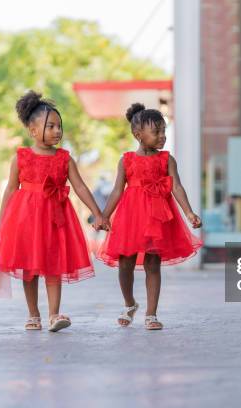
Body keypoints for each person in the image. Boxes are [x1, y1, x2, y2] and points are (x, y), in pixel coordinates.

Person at [0, 90, 109, 332]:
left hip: (56, 219)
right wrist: (2, 221)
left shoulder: (65, 159)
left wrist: (98, 213)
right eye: (51, 126)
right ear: (33, 131)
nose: (57, 131)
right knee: (29, 267)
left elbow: (79, 187)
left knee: (54, 266)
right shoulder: (21, 157)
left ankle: (54, 314)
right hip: (25, 220)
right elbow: (10, 190)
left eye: (59, 126)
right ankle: (33, 315)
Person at [96, 103, 203, 330]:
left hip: (158, 216)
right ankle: (129, 303)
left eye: (164, 130)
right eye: (157, 132)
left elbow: (177, 187)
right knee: (125, 262)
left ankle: (151, 314)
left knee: (153, 263)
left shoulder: (166, 159)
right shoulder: (126, 160)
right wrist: (104, 216)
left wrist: (189, 212)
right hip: (130, 217)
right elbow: (117, 190)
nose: (163, 136)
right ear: (138, 135)